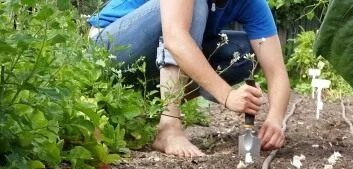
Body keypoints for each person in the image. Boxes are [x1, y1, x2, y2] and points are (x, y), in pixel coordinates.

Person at [88, 0, 290, 158]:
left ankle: (150, 108)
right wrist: (227, 95)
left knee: (245, 52)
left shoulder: (252, 4)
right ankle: (169, 126)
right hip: (108, 47)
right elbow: (175, 38)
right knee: (194, 8)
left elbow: (277, 71)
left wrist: (275, 118)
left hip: (149, 59)